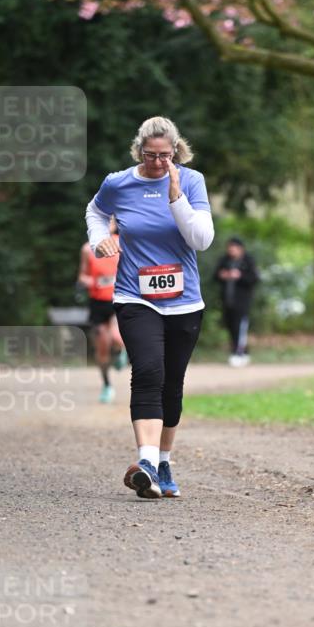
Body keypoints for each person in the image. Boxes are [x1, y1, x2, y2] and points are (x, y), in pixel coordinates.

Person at [85, 116, 214, 499]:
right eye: (150, 155)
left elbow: (202, 240)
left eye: (165, 155)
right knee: (147, 372)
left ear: (175, 152)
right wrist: (99, 240)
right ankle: (145, 461)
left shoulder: (191, 181)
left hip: (184, 301)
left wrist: (176, 198)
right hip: (134, 296)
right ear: (139, 151)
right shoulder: (119, 183)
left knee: (172, 383)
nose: (157, 163)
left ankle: (163, 461)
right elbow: (94, 212)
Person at [77, 217, 127, 403]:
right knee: (102, 347)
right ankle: (106, 385)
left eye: (110, 221)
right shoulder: (87, 248)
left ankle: (121, 351)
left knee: (116, 336)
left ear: (115, 224)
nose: (107, 224)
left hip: (119, 298)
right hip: (97, 302)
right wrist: (87, 281)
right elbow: (82, 275)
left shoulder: (122, 243)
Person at [215, 237, 259, 366]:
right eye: (229, 247)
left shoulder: (248, 261)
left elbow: (254, 278)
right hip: (227, 302)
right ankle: (243, 352)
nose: (231, 250)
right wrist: (222, 275)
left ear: (240, 249)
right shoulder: (225, 260)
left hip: (242, 302)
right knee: (231, 327)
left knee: (240, 327)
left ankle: (238, 353)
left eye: (234, 247)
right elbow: (215, 275)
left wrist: (240, 276)